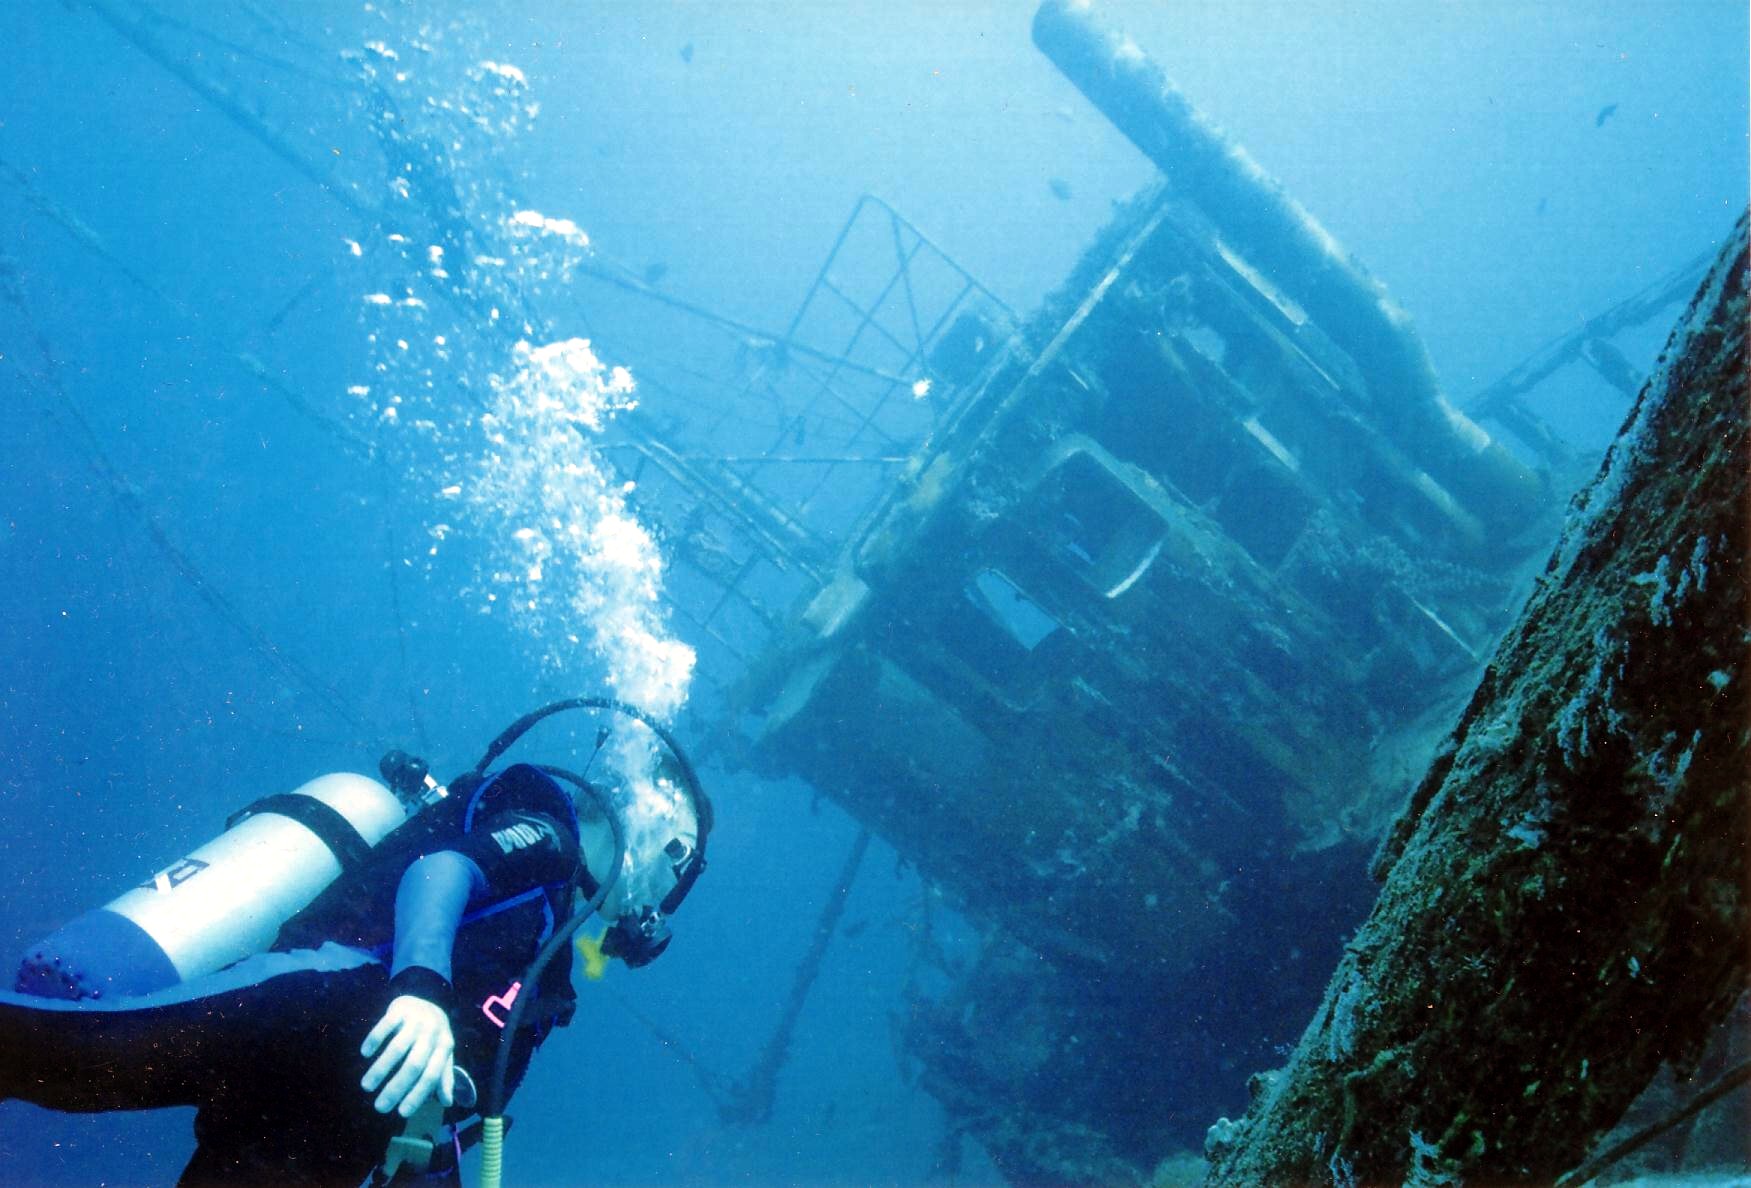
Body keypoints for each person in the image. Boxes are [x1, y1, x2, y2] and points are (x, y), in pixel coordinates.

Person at [0, 699, 709, 1187]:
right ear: (652, 836)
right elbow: (440, 870)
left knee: (66, 1065)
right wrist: (422, 990)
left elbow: (466, 1097)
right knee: (68, 1056)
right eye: (675, 863)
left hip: (328, 1126)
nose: (653, 904)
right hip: (315, 1009)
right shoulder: (548, 842)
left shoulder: (553, 959)